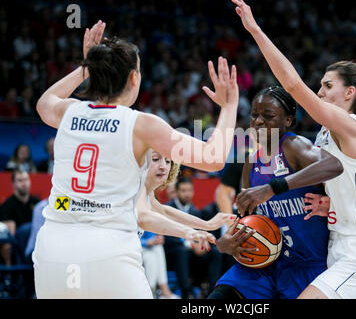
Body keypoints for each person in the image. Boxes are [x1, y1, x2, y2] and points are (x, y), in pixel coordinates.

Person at [32, 21, 239, 298]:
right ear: (133, 79)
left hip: (52, 251)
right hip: (108, 252)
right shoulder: (141, 125)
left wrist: (86, 66)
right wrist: (229, 106)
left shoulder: (69, 111)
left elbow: (44, 102)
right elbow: (213, 159)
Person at [230, 0, 356, 299]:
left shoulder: (353, 127)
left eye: (328, 86)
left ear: (349, 93)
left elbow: (292, 84)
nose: (319, 92)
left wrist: (254, 30)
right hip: (336, 249)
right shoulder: (325, 134)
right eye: (320, 85)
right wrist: (331, 204)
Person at [208, 85, 343, 299]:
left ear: (288, 120)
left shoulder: (293, 146)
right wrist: (225, 242)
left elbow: (334, 166)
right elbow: (245, 219)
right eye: (254, 115)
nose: (258, 121)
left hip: (308, 267)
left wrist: (273, 187)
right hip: (266, 263)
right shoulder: (251, 164)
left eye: (268, 115)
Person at [141, 151, 233, 299]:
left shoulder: (147, 191)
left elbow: (162, 211)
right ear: (141, 162)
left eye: (168, 162)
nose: (164, 167)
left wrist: (206, 225)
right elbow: (145, 218)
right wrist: (188, 233)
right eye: (156, 159)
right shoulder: (136, 184)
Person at [0, 169, 40, 266]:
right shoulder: (7, 205)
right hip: (17, 243)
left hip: (36, 240)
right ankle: (10, 274)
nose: (24, 183)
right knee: (25, 230)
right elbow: (8, 232)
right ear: (13, 184)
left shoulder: (38, 204)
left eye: (26, 180)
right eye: (20, 180)